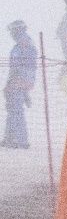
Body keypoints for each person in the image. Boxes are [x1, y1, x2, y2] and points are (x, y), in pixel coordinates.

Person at [4, 21, 38, 150]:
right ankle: (10, 138)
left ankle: (20, 140)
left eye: (13, 31)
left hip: (19, 81)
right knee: (13, 109)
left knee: (16, 110)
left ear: (17, 30)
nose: (11, 34)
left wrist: (16, 83)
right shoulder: (23, 44)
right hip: (19, 81)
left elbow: (21, 68)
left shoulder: (23, 45)